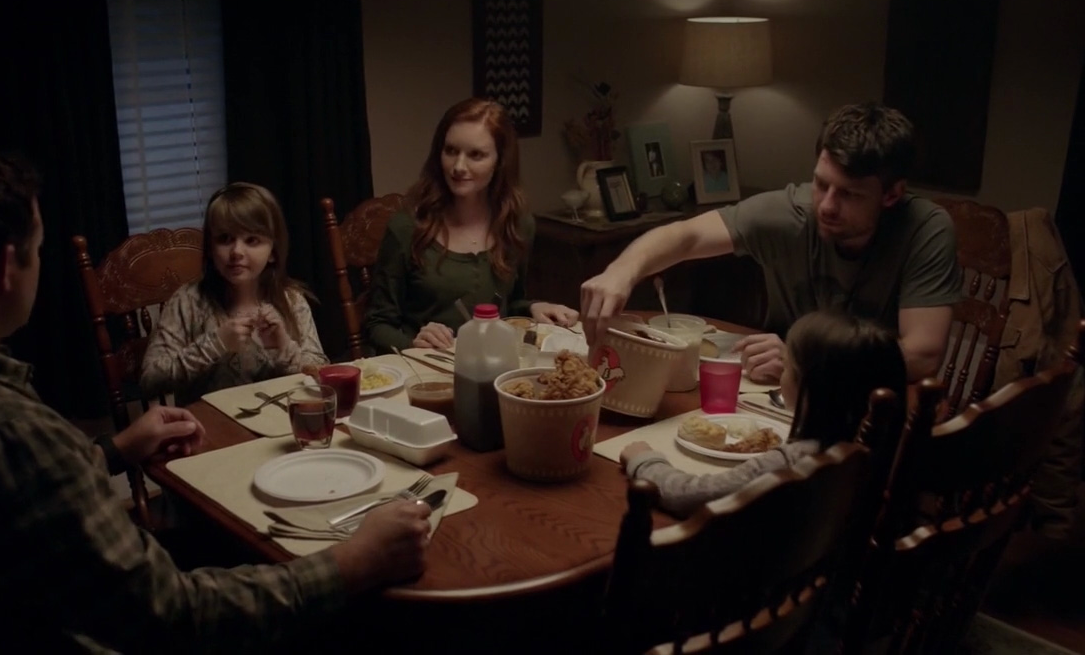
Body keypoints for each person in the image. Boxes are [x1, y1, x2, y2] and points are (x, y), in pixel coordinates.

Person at [0, 149, 431, 653]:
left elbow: (19, 489)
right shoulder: (10, 429)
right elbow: (176, 615)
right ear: (6, 267)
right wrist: (350, 564)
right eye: (37, 249)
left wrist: (112, 450)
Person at [581, 102, 961, 382]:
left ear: (892, 194)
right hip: (778, 391)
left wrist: (805, 362)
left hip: (869, 406)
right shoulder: (790, 213)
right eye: (821, 184)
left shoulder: (924, 229)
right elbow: (686, 235)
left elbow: (922, 355)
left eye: (850, 194)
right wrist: (621, 272)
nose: (827, 206)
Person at [620, 310, 907, 516]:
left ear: (813, 389)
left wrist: (644, 461)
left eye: (788, 365)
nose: (782, 372)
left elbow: (689, 495)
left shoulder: (795, 463)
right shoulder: (875, 443)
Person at [365, 97, 578, 352]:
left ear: (500, 161)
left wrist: (533, 308)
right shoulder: (407, 227)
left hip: (493, 363)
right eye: (451, 151)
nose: (458, 166)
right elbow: (377, 324)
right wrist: (414, 344)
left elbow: (507, 306)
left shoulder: (518, 225)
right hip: (427, 367)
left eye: (476, 155)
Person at [141, 183, 327, 405]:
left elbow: (321, 373)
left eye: (252, 240)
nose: (237, 252)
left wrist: (284, 347)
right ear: (210, 248)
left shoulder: (291, 300)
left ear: (273, 252)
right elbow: (150, 379)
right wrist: (214, 345)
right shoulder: (188, 302)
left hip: (279, 419)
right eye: (225, 239)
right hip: (207, 424)